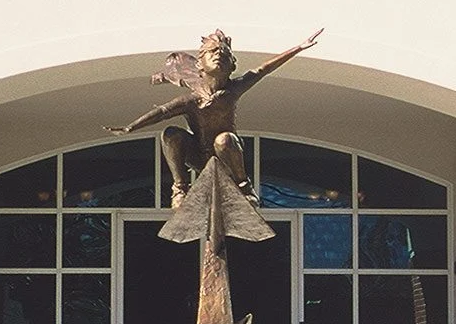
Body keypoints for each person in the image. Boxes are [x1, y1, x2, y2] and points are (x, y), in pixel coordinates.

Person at [106, 28, 322, 207]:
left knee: (224, 139)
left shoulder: (234, 89)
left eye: (224, 53)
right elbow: (161, 113)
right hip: (198, 154)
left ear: (232, 66)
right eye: (213, 51)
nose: (219, 55)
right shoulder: (192, 99)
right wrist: (130, 128)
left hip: (226, 154)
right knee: (171, 134)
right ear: (200, 64)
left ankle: (243, 185)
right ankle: (180, 188)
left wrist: (298, 48)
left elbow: (263, 69)